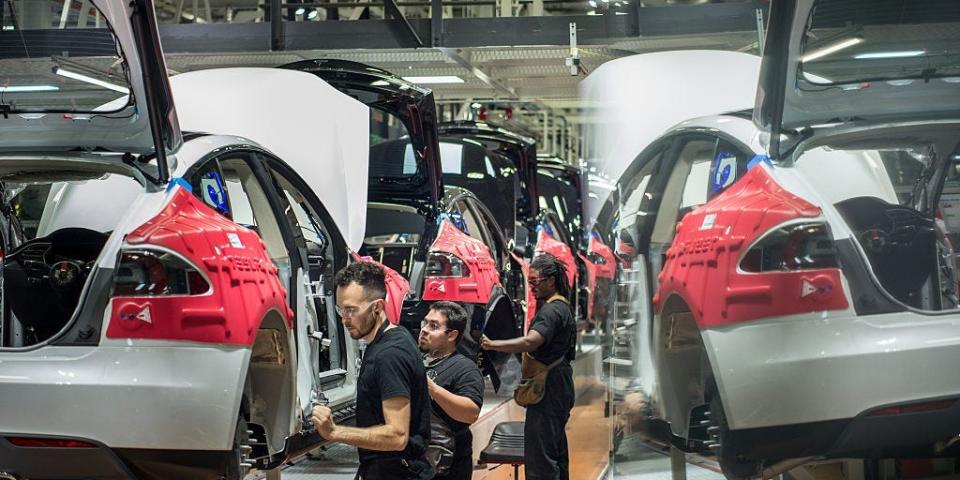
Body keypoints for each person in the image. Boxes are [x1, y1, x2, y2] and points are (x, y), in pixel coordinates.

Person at [311, 262, 433, 480]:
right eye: (341, 309)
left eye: (351, 310)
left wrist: (334, 432)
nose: (344, 319)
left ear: (377, 306)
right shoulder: (391, 337)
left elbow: (397, 435)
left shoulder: (389, 355)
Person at [481, 253, 576, 480]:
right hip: (559, 384)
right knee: (555, 451)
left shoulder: (552, 311)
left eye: (535, 282)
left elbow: (531, 341)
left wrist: (492, 344)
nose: (531, 287)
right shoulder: (562, 306)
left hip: (549, 388)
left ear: (550, 281)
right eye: (529, 282)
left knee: (540, 460)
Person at [418, 301, 485, 480]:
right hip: (417, 460)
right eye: (424, 323)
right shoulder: (418, 360)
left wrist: (431, 388)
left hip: (446, 465)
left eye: (433, 326)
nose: (424, 330)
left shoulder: (465, 368)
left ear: (452, 335)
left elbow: (470, 413)